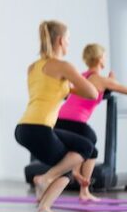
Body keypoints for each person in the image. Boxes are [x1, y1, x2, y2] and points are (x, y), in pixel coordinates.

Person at [14, 21, 99, 212]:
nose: (69, 44)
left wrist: (67, 86)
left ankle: (44, 207)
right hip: (39, 128)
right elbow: (92, 93)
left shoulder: (33, 67)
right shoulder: (63, 66)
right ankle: (45, 179)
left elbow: (47, 92)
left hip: (24, 128)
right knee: (86, 148)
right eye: (68, 40)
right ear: (61, 40)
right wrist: (71, 84)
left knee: (69, 168)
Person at [53, 43, 125, 201]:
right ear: (100, 58)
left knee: (89, 149)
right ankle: (81, 184)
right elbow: (123, 89)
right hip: (74, 121)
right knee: (91, 144)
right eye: (105, 56)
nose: (105, 58)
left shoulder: (82, 75)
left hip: (60, 119)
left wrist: (109, 82)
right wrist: (112, 82)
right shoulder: (100, 79)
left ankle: (80, 183)